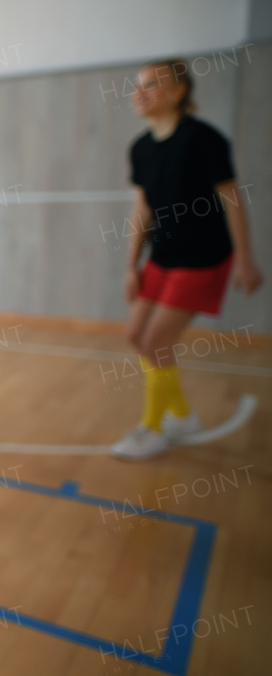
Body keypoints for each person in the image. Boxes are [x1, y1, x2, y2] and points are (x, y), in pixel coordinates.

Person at [113, 58, 262, 460]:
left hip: (203, 259)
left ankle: (153, 428)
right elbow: (141, 210)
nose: (140, 92)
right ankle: (181, 415)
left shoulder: (204, 139)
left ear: (179, 92)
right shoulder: (140, 149)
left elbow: (232, 201)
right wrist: (131, 266)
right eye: (138, 85)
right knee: (136, 337)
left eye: (152, 84)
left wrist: (245, 259)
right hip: (161, 258)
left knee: (157, 339)